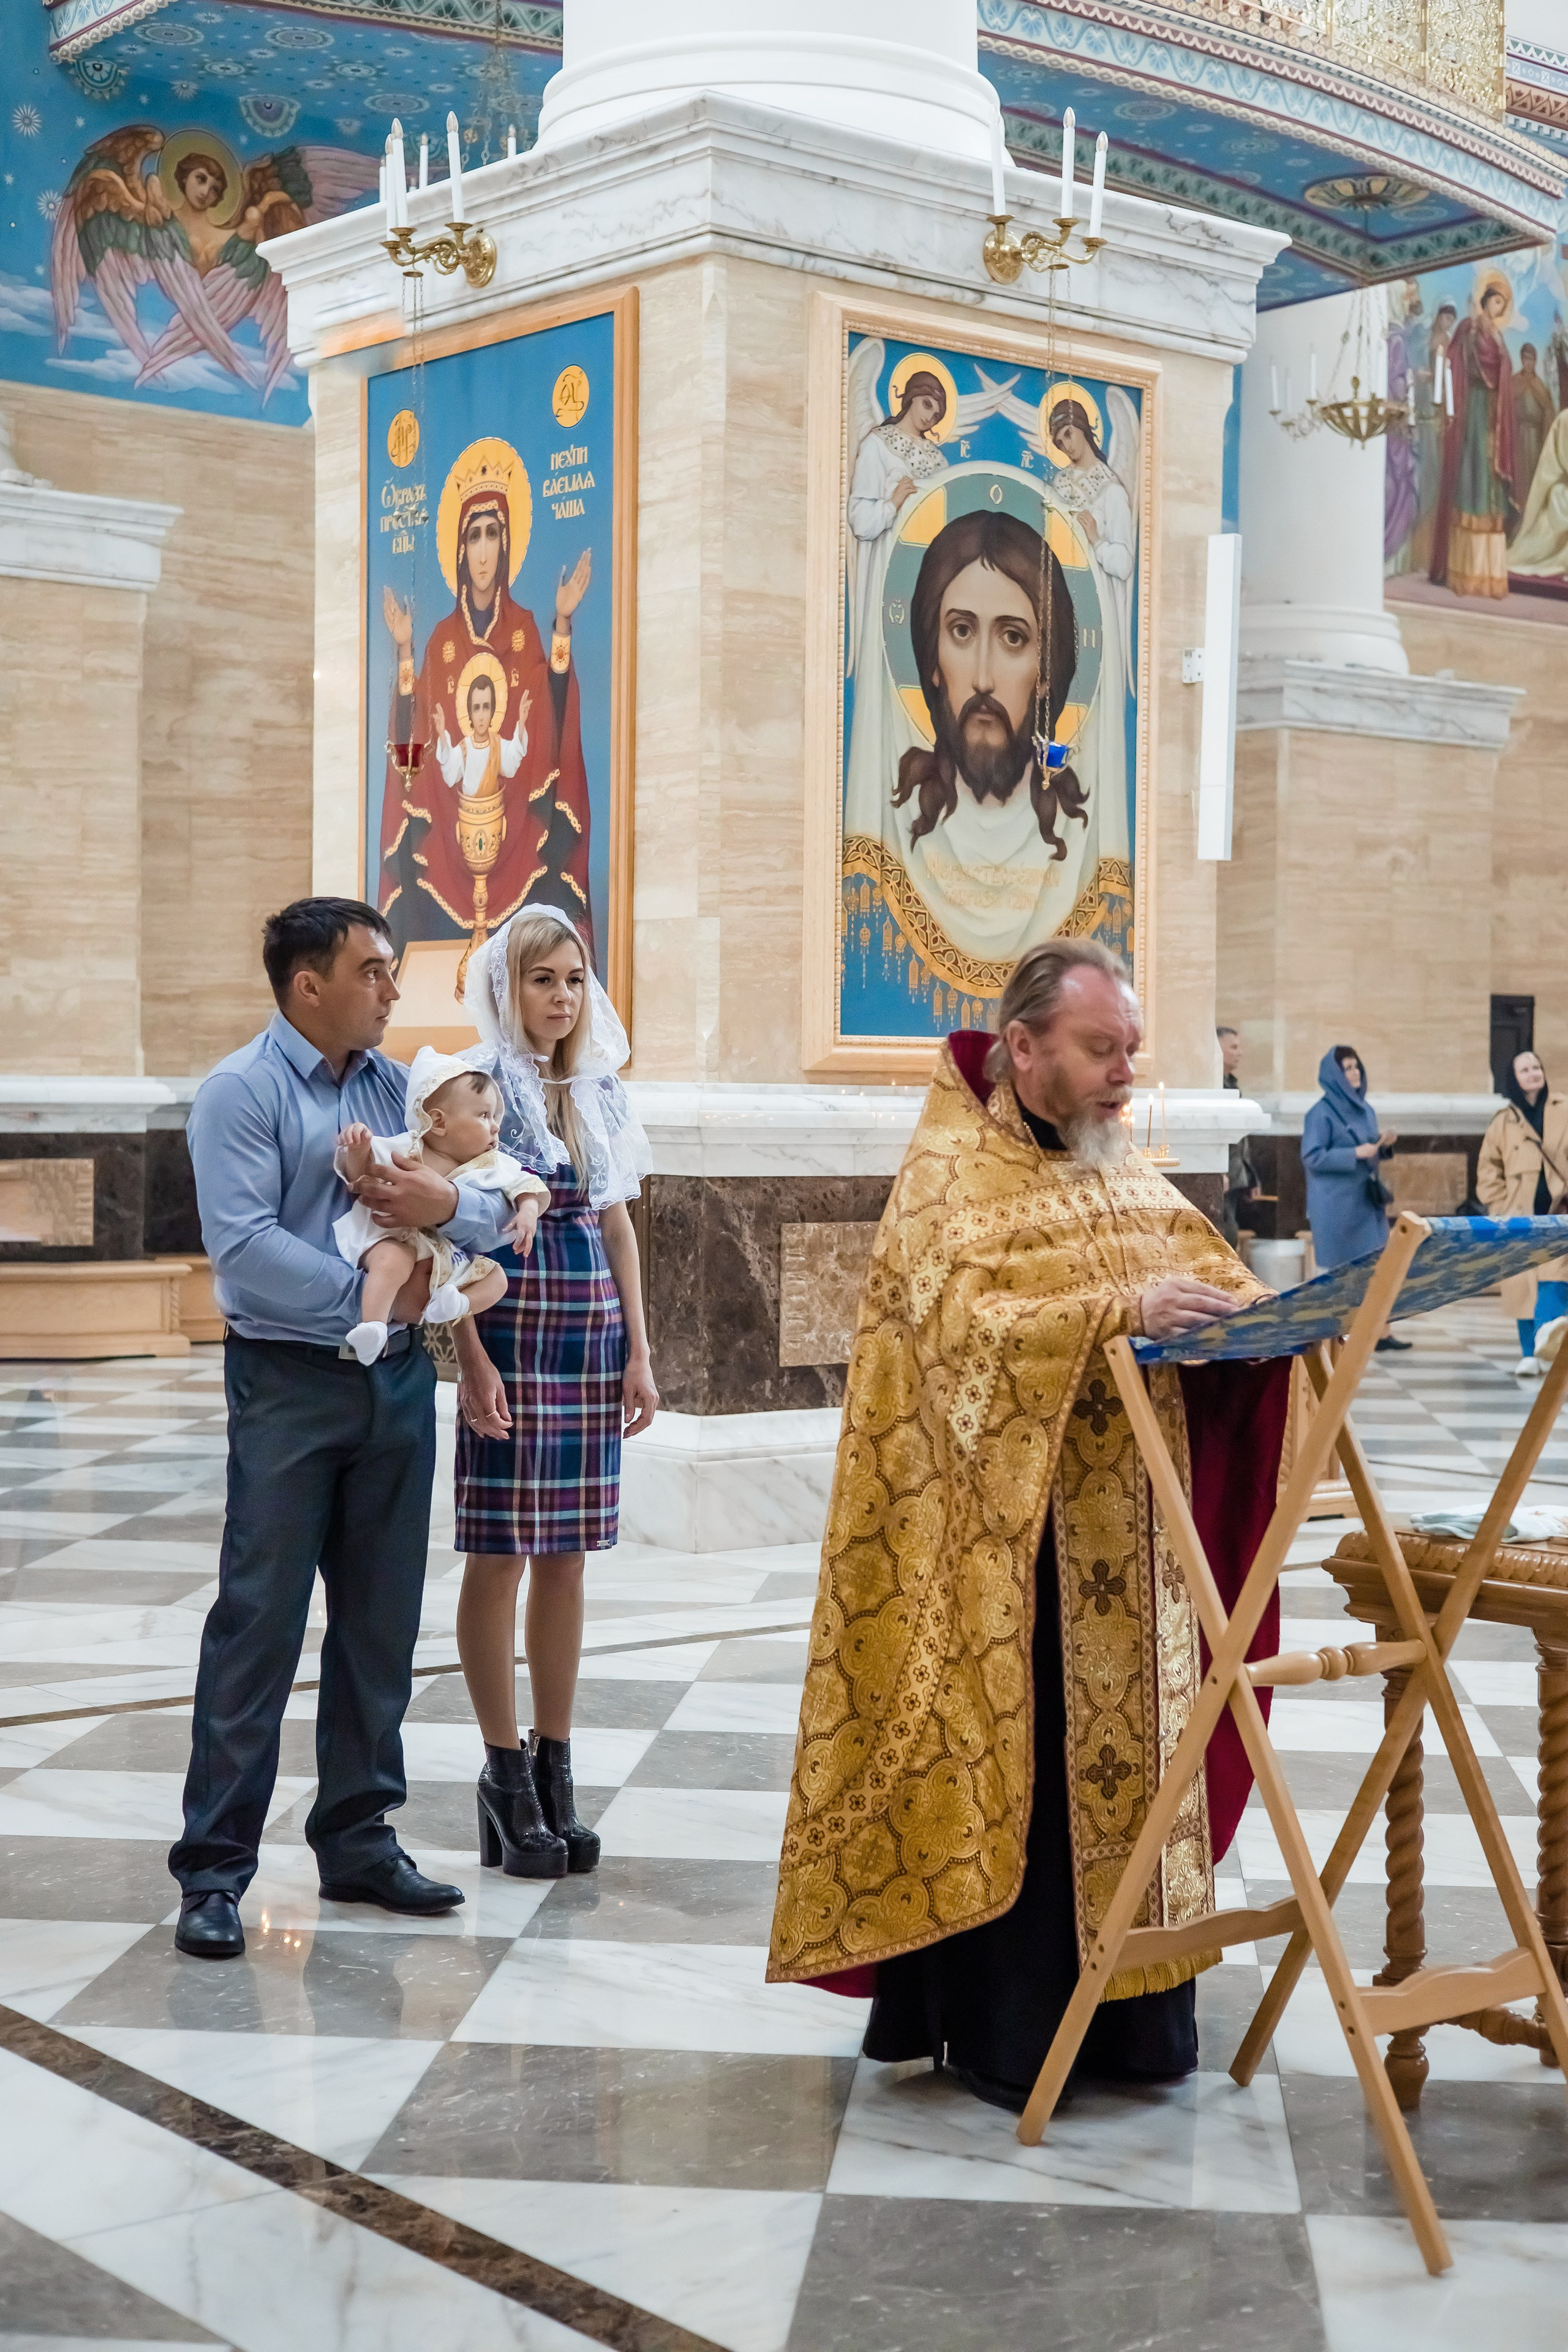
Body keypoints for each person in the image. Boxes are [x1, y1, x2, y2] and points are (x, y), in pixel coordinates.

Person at [767, 936, 1294, 2112]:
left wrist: (1277, 1326)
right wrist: (1118, 1308)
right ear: (1025, 1047)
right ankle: (1009, 2030)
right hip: (1010, 1566)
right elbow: (962, 1335)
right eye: (1102, 1050)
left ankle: (1136, 2023)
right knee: (1035, 1782)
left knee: (1137, 1772)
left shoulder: (1116, 1163)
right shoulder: (951, 1175)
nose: (1123, 1075)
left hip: (1134, 1553)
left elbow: (1195, 1271)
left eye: (1130, 1053)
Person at [171, 899, 514, 1958]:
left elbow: (487, 1208)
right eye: (373, 971)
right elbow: (246, 1246)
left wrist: (445, 1220)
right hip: (287, 1381)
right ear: (307, 984)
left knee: (380, 1618)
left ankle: (359, 1838)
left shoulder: (393, 1084)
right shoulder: (241, 1091)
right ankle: (217, 1870)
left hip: (397, 1386)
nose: (391, 990)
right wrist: (377, 1299)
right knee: (260, 1619)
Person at [449, 905, 658, 1877]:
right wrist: (470, 1360)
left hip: (588, 1341)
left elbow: (617, 1228)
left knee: (569, 1557)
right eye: (544, 980)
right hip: (509, 1333)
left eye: (575, 980)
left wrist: (641, 1352)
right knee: (499, 1556)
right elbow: (451, 1236)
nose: (562, 998)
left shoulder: (600, 1091)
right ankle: (502, 1774)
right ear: (509, 987)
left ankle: (556, 1766)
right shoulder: (477, 1088)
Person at [331, 1048, 548, 1365]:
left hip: (447, 1264)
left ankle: (458, 1304)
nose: (495, 1126)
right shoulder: (405, 1148)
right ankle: (373, 1326)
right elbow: (362, 1178)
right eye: (484, 1115)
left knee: (498, 1279)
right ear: (438, 1121)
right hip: (398, 1241)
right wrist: (358, 1149)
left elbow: (525, 1186)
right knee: (391, 1260)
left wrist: (528, 1211)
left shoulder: (488, 1164)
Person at [1302, 1046, 1406, 1351]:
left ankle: (1380, 1332)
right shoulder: (1319, 1113)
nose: (1355, 1072)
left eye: (1356, 1066)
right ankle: (1339, 1334)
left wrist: (1382, 1147)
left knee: (1377, 1265)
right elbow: (1312, 1157)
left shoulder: (1365, 1109)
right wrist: (1354, 1153)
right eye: (1346, 1068)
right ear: (1334, 1076)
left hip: (1365, 1202)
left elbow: (1368, 1150)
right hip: (1336, 1206)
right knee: (1340, 1272)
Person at [1477, 1049, 1568, 1378]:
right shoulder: (1503, 1122)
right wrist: (1500, 1206)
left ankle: (1548, 1337)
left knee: (1556, 1277)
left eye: (1536, 1067)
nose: (1533, 1074)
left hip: (1560, 1211)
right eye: (1525, 1070)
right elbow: (1489, 1169)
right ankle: (1530, 1352)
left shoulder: (1564, 1108)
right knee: (1523, 1282)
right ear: (1513, 1079)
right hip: (1519, 1214)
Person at [1430, 274, 1519, 600]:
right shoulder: (1469, 328)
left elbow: (1501, 367)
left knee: (1490, 486)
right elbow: (1457, 363)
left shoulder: (1496, 333)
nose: (1499, 308)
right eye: (1496, 301)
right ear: (1486, 300)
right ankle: (1463, 574)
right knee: (1472, 478)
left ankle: (1489, 575)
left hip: (1494, 416)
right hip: (1476, 411)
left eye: (1503, 305)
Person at [434, 673, 530, 799]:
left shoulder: (497, 746)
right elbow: (449, 774)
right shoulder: (465, 749)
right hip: (468, 814)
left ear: (492, 710)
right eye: (476, 708)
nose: (481, 717)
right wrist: (441, 734)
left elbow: (512, 761)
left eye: (486, 707)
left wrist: (522, 722)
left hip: (493, 813)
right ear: (470, 712)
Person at [1217, 1023, 1261, 1246]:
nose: (1240, 1053)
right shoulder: (1212, 1086)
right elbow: (1216, 1132)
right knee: (1225, 1235)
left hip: (1233, 1175)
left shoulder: (1231, 1084)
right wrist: (1215, 1171)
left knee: (1231, 1235)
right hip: (1221, 1176)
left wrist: (1250, 1176)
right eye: (1233, 1047)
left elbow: (1239, 1135)